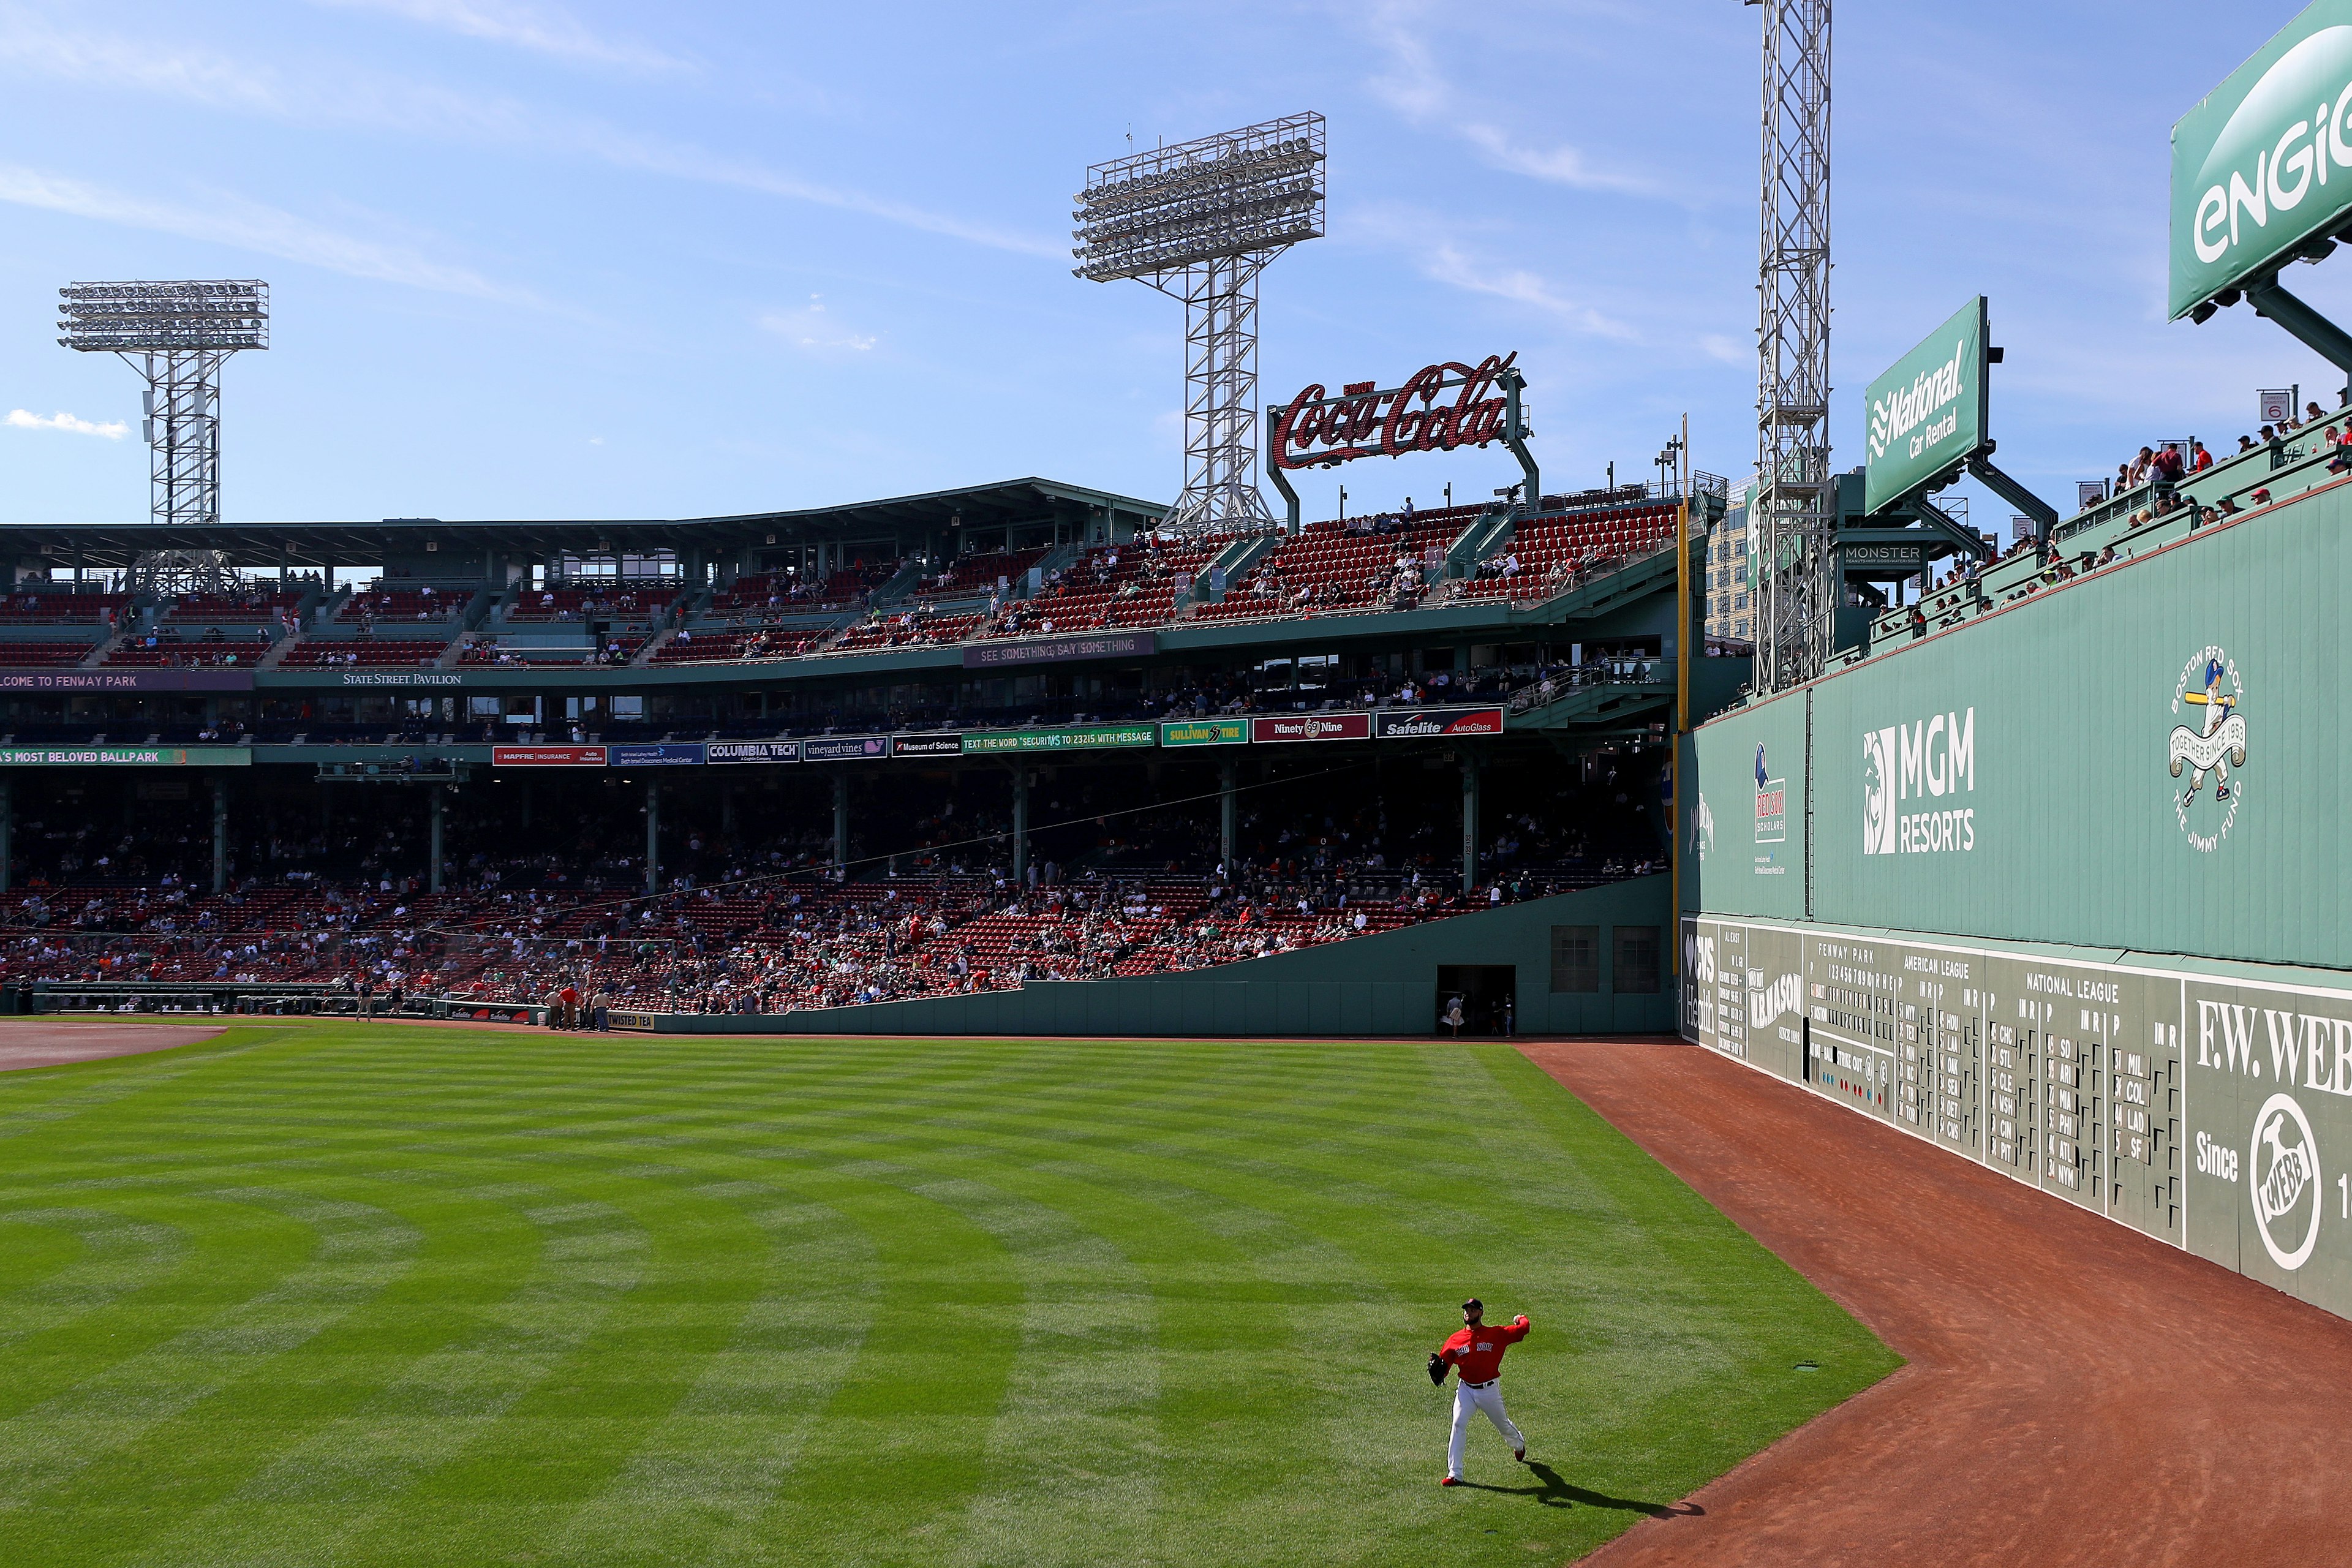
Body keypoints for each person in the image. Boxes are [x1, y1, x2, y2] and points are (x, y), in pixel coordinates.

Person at [1433, 1298, 1530, 1486]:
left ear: (1481, 1313)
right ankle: (1455, 1473)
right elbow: (1444, 1366)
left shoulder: (1496, 1334)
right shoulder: (1455, 1340)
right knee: (1458, 1424)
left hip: (1489, 1391)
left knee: (1503, 1426)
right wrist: (1439, 1374)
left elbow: (1523, 1330)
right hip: (1466, 1390)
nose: (1468, 1312)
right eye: (1466, 1310)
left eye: (1472, 1309)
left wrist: (1522, 1318)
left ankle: (1519, 1446)